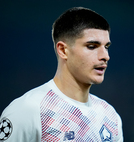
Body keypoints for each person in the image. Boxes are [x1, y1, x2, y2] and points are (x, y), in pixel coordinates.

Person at [0, 7, 123, 141]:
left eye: (106, 47)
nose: (105, 56)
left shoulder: (110, 116)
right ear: (63, 50)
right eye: (92, 46)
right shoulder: (28, 110)